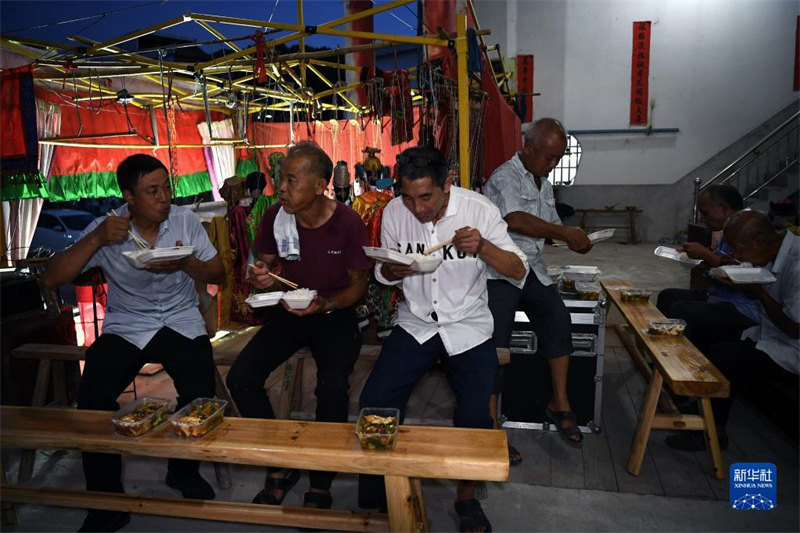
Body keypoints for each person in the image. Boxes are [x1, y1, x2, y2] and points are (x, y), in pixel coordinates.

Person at [42, 154, 225, 533]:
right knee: (92, 395)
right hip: (128, 324)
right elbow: (50, 278)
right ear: (129, 196)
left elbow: (218, 271)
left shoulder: (184, 220)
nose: (164, 198)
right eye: (152, 191)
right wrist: (95, 239)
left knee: (200, 389)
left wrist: (184, 264)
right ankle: (107, 502)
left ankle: (184, 472)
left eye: (166, 187)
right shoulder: (108, 229)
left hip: (180, 318)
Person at [358, 145, 527, 532]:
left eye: (426, 197)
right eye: (408, 197)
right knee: (375, 403)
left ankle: (467, 499)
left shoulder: (479, 209)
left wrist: (483, 247)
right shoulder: (393, 213)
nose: (417, 208)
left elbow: (517, 268)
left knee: (473, 415)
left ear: (446, 184)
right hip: (416, 322)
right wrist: (394, 272)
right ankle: (377, 494)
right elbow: (384, 271)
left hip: (467, 325)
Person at [225, 141, 371, 511]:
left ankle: (321, 479)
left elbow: (358, 286)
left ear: (321, 185)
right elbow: (266, 268)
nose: (281, 188)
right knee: (241, 378)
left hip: (334, 312)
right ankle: (280, 465)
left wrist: (328, 303)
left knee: (333, 386)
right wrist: (261, 277)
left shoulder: (348, 222)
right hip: (290, 311)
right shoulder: (277, 216)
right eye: (280, 179)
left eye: (291, 180)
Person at [484, 118, 591, 449]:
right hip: (501, 269)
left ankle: (559, 402)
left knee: (558, 318)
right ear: (528, 148)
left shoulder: (541, 180)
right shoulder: (505, 176)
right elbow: (515, 218)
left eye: (558, 159)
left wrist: (577, 238)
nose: (553, 164)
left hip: (532, 269)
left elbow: (550, 224)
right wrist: (564, 233)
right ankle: (489, 424)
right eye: (549, 158)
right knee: (496, 342)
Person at [666, 209, 799, 451]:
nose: (735, 256)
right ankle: (696, 401)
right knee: (704, 333)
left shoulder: (797, 263)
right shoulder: (773, 250)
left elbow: (794, 329)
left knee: (726, 356)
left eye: (738, 249)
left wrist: (756, 290)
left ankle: (714, 433)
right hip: (769, 331)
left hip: (791, 346)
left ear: (759, 242)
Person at [656, 185, 761, 354]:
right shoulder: (730, 228)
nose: (703, 219)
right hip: (719, 296)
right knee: (667, 296)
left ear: (723, 208)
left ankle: (685, 366)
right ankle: (663, 360)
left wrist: (706, 255)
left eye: (705, 213)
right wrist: (697, 257)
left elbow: (747, 271)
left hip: (741, 306)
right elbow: (721, 261)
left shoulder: (751, 227)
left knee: (682, 311)